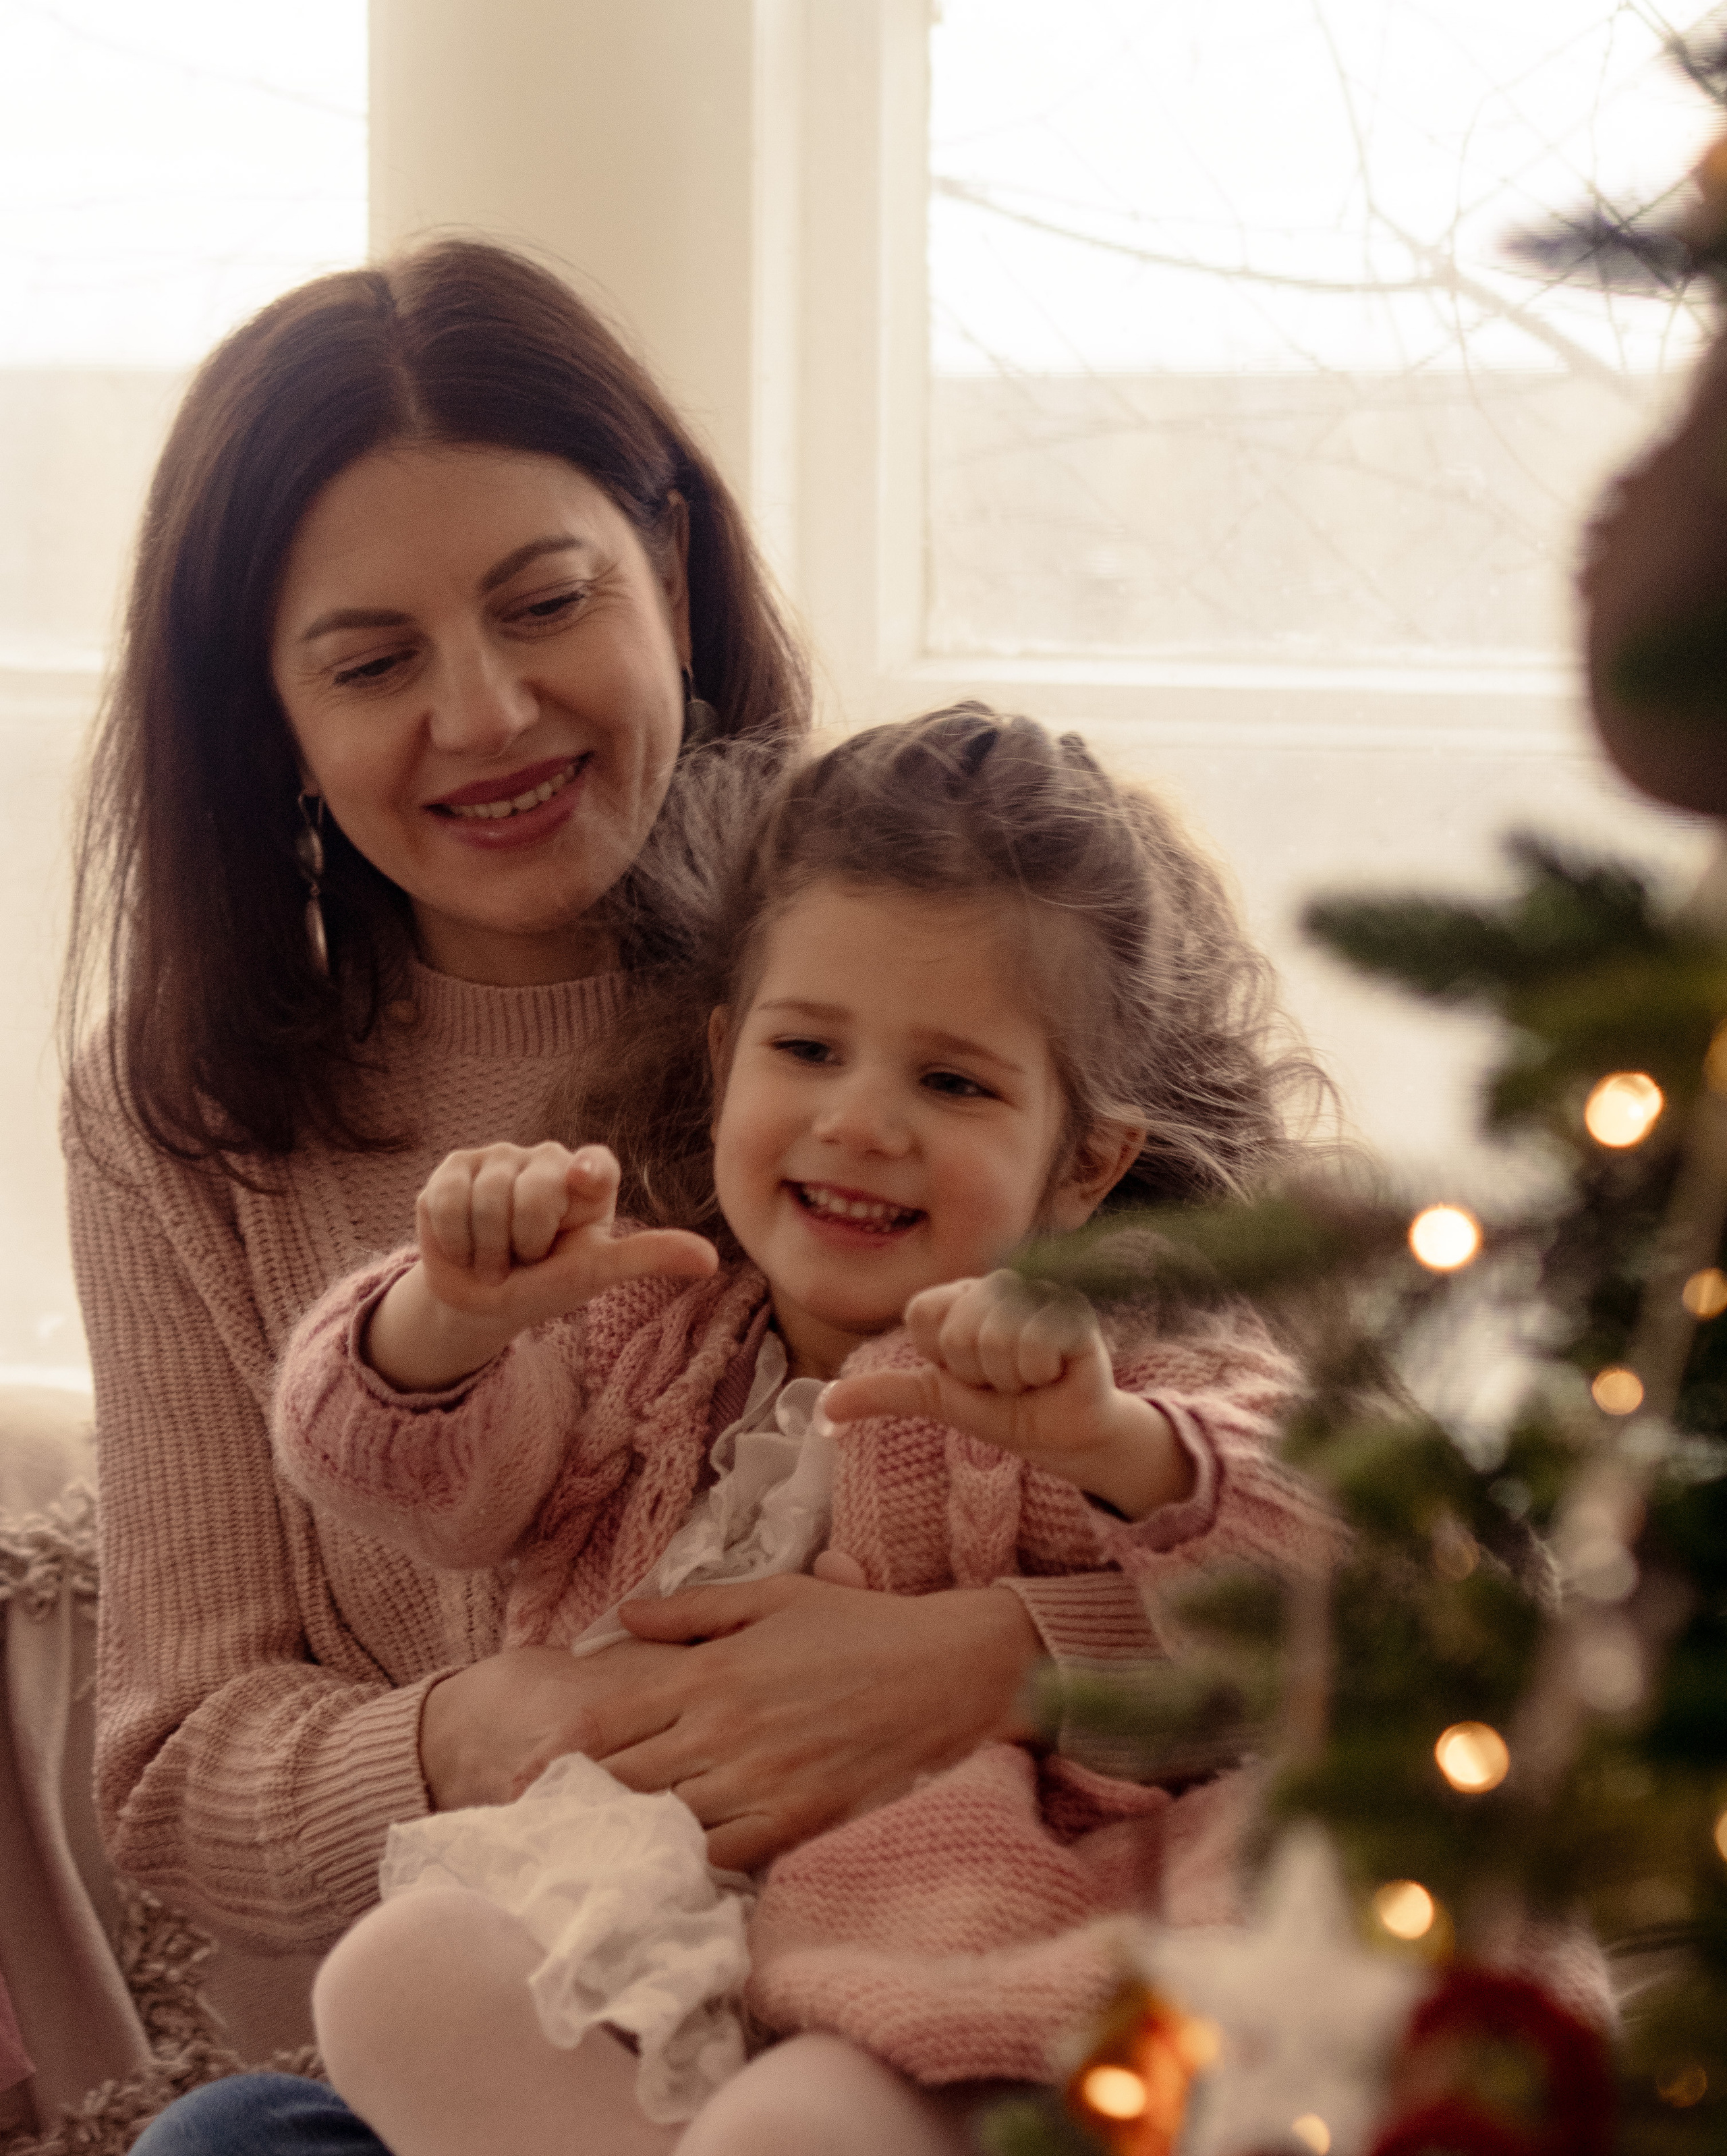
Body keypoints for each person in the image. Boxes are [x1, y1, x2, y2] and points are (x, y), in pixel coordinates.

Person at [64, 243, 1188, 2156]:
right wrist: (504, 1720)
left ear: (668, 566)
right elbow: (178, 1761)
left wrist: (994, 1658)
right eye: (369, 661)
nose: (489, 712)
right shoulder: (181, 1116)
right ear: (267, 711)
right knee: (227, 2143)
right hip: (548, 2033)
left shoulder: (925, 955)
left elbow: (1340, 1527)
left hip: (964, 1994)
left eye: (545, 601)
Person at [270, 709, 1336, 2156]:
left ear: (1081, 1164)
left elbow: (1326, 1546)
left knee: (796, 2128)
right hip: (663, 1947)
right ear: (723, 1061)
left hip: (950, 1964)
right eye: (808, 1049)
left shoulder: (1100, 1353)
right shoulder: (647, 1330)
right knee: (395, 1982)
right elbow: (413, 1481)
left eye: (950, 1082)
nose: (859, 1122)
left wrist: (1108, 1439)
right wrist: (446, 1320)